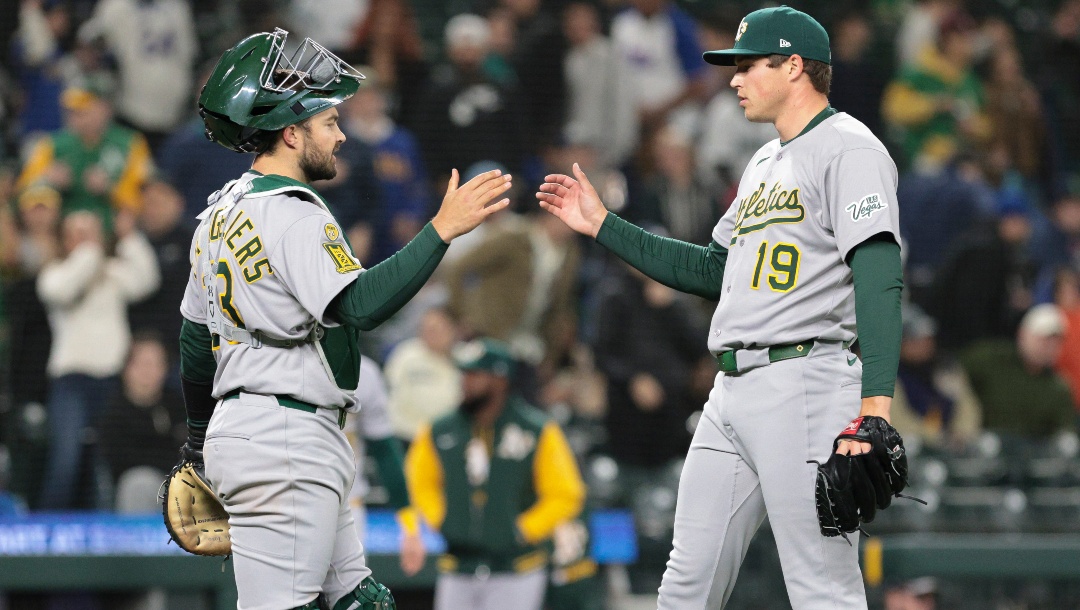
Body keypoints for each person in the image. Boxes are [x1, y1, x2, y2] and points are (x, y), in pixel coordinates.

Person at [537, 7, 904, 608]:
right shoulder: (762, 163)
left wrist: (874, 409)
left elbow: (879, 271)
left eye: (748, 65)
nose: (733, 79)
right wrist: (603, 225)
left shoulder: (849, 148)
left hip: (805, 381)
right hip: (732, 390)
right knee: (688, 581)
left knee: (821, 585)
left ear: (793, 67)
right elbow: (710, 269)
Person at [180, 29, 511, 610]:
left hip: (270, 428)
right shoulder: (295, 213)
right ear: (290, 131)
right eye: (329, 122)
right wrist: (442, 231)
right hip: (283, 434)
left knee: (362, 600)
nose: (340, 135)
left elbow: (193, 340)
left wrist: (200, 440)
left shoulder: (218, 214)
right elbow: (359, 306)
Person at [404, 338, 586, 610]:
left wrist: (523, 529)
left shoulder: (537, 430)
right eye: (463, 374)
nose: (465, 382)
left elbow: (566, 494)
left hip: (516, 568)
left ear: (500, 381)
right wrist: (441, 519)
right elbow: (419, 481)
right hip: (458, 567)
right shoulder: (439, 430)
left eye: (475, 375)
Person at [37, 209, 159, 509]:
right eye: (78, 234)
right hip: (72, 381)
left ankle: (104, 537)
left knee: (104, 463)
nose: (87, 241)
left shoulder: (111, 272)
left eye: (91, 233)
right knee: (66, 458)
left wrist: (129, 239)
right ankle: (46, 535)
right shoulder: (54, 273)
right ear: (65, 241)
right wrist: (92, 253)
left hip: (111, 380)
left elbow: (147, 280)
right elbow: (62, 291)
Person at [960, 304, 1075, 439]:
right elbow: (953, 370)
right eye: (1043, 339)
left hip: (1033, 455)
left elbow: (1066, 432)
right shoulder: (992, 359)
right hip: (986, 449)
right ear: (1022, 334)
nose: (1049, 347)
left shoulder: (1058, 386)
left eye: (1056, 342)